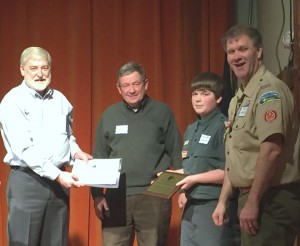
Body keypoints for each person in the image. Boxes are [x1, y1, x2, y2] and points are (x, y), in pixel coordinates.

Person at [212, 25, 300, 246]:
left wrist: (253, 201)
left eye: (243, 49)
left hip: (270, 199)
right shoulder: (239, 98)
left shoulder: (269, 92)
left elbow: (271, 149)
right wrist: (223, 200)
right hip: (252, 198)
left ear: (258, 51)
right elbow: (237, 156)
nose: (237, 57)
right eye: (231, 52)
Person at [0, 47, 92, 246]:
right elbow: (23, 149)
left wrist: (76, 152)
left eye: (44, 68)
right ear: (22, 70)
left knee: (56, 241)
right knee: (24, 241)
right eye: (33, 68)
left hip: (58, 185)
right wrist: (58, 175)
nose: (40, 74)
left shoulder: (60, 99)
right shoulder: (12, 101)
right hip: (28, 182)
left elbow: (68, 136)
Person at [91, 61, 182, 246]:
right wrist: (97, 195)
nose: (131, 90)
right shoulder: (109, 115)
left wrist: (184, 189)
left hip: (154, 195)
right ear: (119, 88)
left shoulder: (162, 112)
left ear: (145, 84)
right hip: (115, 198)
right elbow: (99, 157)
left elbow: (177, 153)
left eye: (136, 84)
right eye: (125, 85)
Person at [175, 72, 240, 246]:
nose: (198, 99)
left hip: (213, 204)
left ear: (218, 98)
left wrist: (193, 179)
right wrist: (178, 184)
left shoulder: (223, 127)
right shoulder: (191, 128)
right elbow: (192, 166)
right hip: (190, 206)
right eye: (195, 94)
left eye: (205, 94)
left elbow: (229, 171)